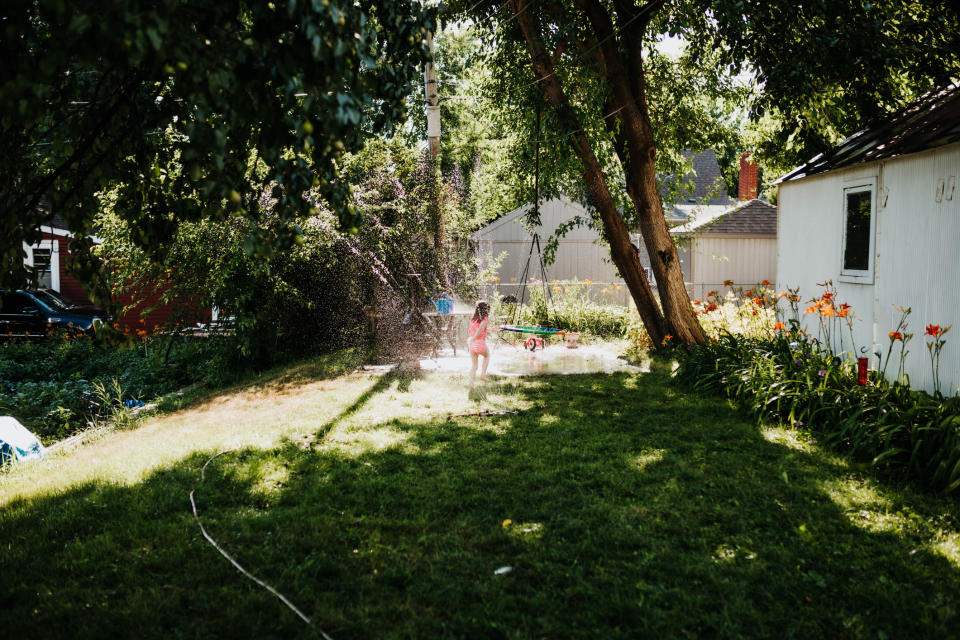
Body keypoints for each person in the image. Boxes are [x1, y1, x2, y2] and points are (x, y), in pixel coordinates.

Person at [467, 300, 491, 388]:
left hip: (472, 345)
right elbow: (480, 330)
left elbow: (477, 329)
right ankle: (483, 375)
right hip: (479, 343)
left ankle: (470, 384)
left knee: (474, 366)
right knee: (487, 356)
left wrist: (491, 329)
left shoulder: (473, 320)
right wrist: (474, 338)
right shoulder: (485, 319)